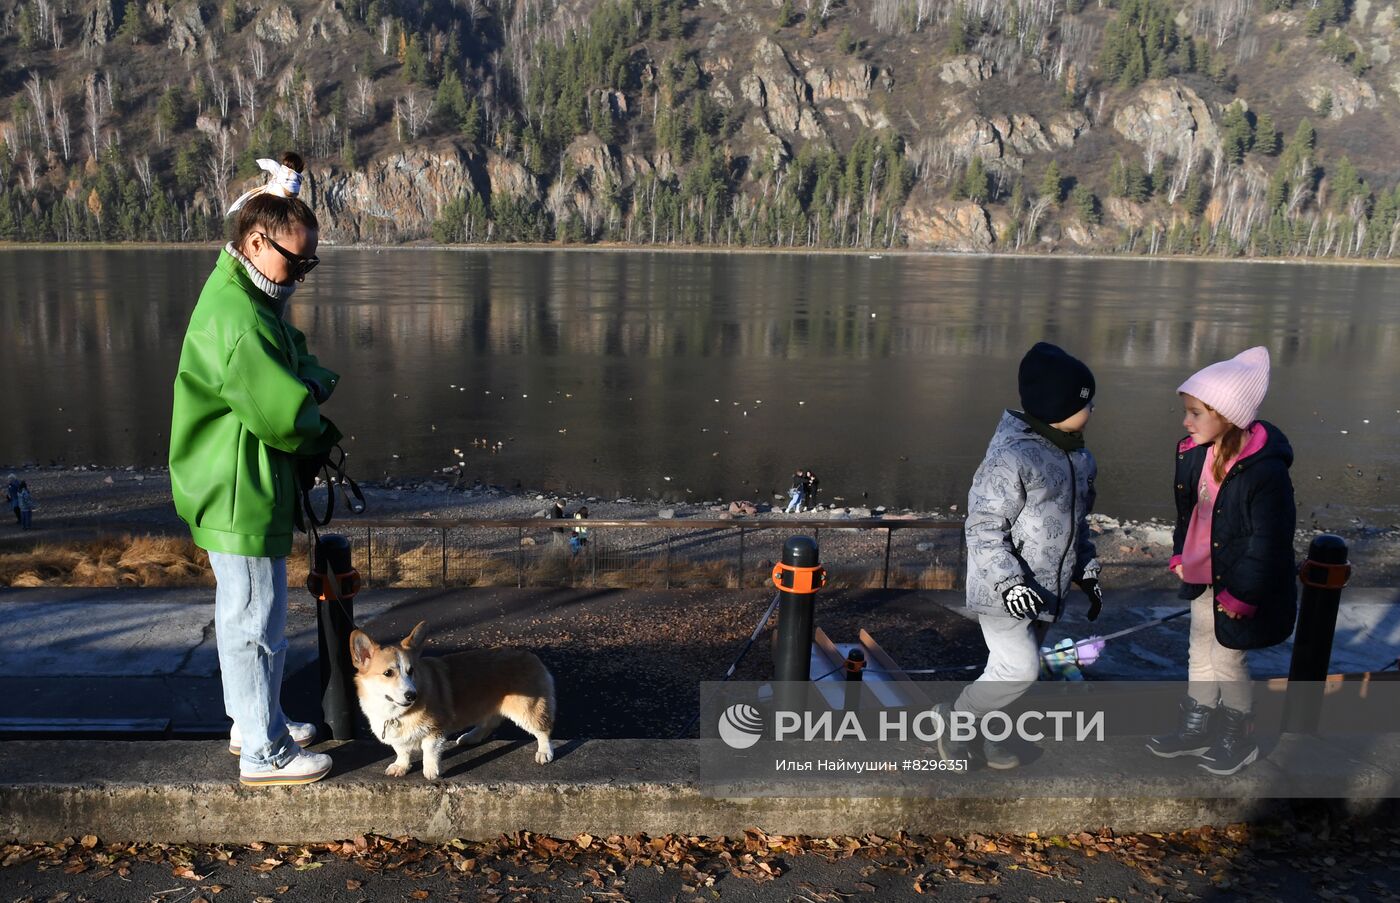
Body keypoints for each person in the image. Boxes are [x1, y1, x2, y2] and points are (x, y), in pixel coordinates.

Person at [169, 152, 341, 787]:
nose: (301, 274)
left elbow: (293, 356)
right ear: (254, 240)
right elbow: (284, 415)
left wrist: (315, 378)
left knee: (259, 617)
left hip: (239, 481)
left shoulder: (245, 288)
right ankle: (264, 754)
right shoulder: (240, 320)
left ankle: (255, 721)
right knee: (252, 620)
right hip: (238, 488)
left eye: (309, 262)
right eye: (294, 261)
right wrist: (322, 421)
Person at [940, 342, 1103, 770]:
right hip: (1004, 589)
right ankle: (957, 722)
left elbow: (1079, 523)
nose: (1092, 411)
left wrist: (1087, 570)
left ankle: (990, 735)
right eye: (1086, 403)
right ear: (1057, 406)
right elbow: (982, 527)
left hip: (1048, 589)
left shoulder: (1080, 458)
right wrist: (1010, 584)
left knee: (1008, 672)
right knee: (1020, 667)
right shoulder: (1011, 458)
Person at [1148, 347, 1296, 776]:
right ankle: (1197, 726)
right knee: (1200, 649)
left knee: (1229, 655)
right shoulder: (1196, 452)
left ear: (1227, 415)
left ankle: (1239, 735)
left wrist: (1243, 595)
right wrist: (1180, 551)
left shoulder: (1264, 472)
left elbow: (1269, 542)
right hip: (1203, 572)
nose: (1185, 421)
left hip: (1239, 582)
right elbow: (1188, 511)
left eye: (1195, 412)